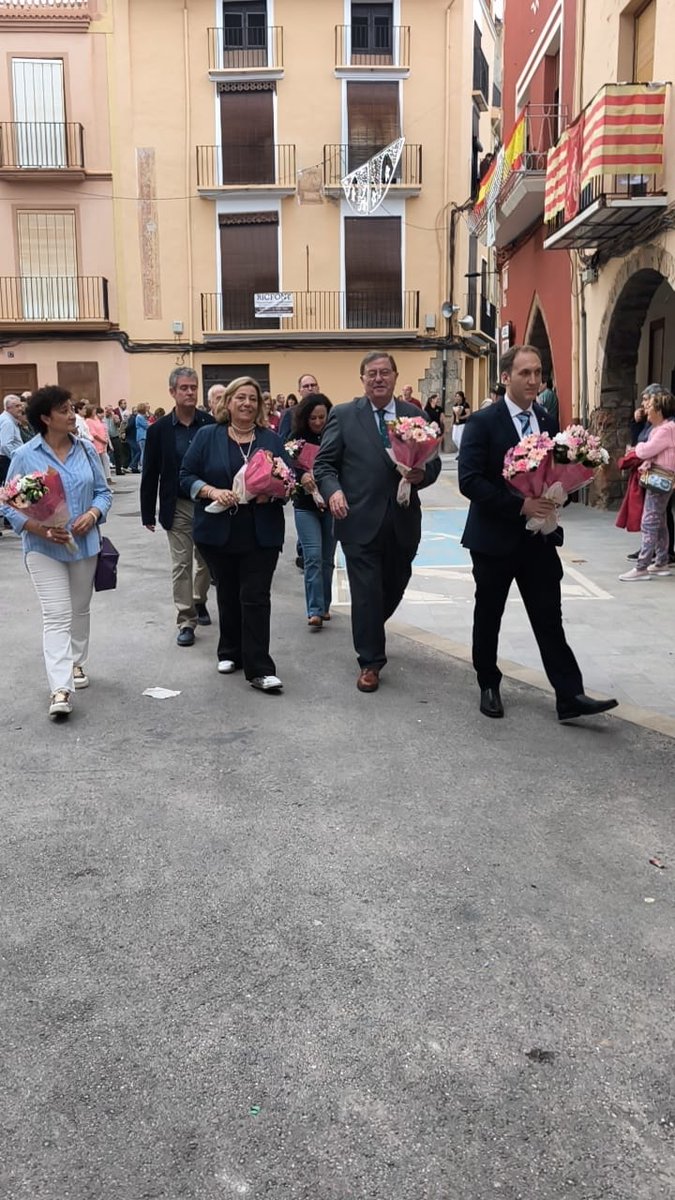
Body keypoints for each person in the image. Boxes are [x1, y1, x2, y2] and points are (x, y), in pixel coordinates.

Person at [458, 343, 618, 722]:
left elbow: (552, 473)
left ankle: (569, 696)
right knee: (489, 614)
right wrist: (520, 505)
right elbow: (470, 481)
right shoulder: (483, 422)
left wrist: (558, 494)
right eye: (525, 373)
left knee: (549, 617)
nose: (533, 380)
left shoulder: (546, 420)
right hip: (494, 540)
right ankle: (488, 684)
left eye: (538, 373)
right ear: (506, 377)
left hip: (538, 540)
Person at [315, 351, 441, 692]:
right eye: (371, 373)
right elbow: (324, 465)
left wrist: (421, 475)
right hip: (358, 520)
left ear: (396, 377)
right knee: (366, 592)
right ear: (362, 380)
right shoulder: (343, 415)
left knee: (395, 583)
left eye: (385, 372)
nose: (378, 378)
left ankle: (369, 626)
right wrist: (334, 492)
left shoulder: (413, 415)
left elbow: (434, 464)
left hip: (402, 520)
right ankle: (370, 661)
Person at [0, 386, 112, 719]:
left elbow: (103, 493)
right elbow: (9, 503)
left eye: (71, 409)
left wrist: (92, 515)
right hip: (42, 547)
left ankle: (77, 662)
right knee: (57, 614)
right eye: (64, 410)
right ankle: (60, 687)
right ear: (46, 418)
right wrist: (41, 528)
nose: (71, 415)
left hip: (85, 544)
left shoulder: (87, 451)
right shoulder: (25, 455)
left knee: (79, 609)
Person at [180, 376, 288, 692]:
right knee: (227, 592)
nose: (247, 403)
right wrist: (211, 491)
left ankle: (259, 668)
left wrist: (274, 493)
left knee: (255, 596)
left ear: (260, 405)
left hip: (261, 531)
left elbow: (287, 479)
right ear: (228, 402)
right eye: (240, 397)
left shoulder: (271, 439)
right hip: (217, 530)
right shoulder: (207, 436)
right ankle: (230, 650)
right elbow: (186, 476)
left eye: (253, 398)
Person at [140, 368, 214, 645]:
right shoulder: (158, 430)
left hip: (208, 504)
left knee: (206, 562)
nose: (190, 392)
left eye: (193, 387)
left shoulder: (209, 424)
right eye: (184, 388)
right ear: (172, 392)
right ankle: (186, 620)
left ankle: (199, 599)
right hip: (178, 505)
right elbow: (150, 473)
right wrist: (148, 511)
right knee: (181, 564)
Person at [619, 385, 675, 581]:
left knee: (649, 520)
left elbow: (645, 450)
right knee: (659, 521)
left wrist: (638, 448)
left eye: (649, 405)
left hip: (659, 480)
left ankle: (642, 566)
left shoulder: (664, 430)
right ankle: (661, 561)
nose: (646, 409)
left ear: (659, 410)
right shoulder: (664, 428)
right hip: (660, 477)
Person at [291, 393, 336, 628]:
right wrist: (302, 475)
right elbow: (285, 466)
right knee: (313, 557)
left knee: (328, 559)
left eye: (322, 417)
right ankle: (315, 610)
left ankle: (325, 605)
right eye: (313, 418)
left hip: (331, 504)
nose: (318, 422)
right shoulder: (295, 439)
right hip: (305, 505)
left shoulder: (335, 436)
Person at [278, 373, 319, 442]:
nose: (310, 388)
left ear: (318, 388)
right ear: (299, 391)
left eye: (313, 385)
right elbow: (282, 440)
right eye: (306, 386)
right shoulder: (290, 413)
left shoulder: (327, 411)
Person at [0, 395, 26, 483]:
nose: (20, 409)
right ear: (8, 408)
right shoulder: (7, 422)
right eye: (17, 406)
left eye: (20, 405)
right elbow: (5, 445)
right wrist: (17, 459)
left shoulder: (7, 419)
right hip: (6, 461)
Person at [85, 404, 112, 482]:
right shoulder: (88, 421)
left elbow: (102, 429)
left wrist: (105, 439)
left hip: (103, 443)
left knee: (105, 460)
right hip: (97, 442)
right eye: (93, 411)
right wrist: (102, 440)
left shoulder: (96, 419)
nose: (95, 412)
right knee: (98, 462)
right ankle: (100, 479)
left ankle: (107, 477)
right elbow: (93, 433)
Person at [104, 405, 124, 476]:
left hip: (115, 437)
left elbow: (118, 425)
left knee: (118, 454)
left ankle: (118, 470)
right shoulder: (103, 418)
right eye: (108, 410)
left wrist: (115, 418)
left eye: (110, 410)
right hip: (106, 438)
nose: (109, 412)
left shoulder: (115, 416)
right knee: (105, 453)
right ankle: (105, 471)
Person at [451, 390, 471, 455]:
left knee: (460, 438)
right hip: (455, 424)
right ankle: (461, 450)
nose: (457, 398)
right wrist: (452, 423)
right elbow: (453, 415)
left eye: (458, 396)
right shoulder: (455, 405)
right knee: (454, 438)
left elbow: (468, 414)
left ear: (462, 397)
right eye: (456, 396)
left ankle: (461, 453)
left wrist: (461, 417)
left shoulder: (465, 404)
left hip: (462, 424)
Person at [135, 402, 150, 468]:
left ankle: (143, 465)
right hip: (142, 435)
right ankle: (144, 465)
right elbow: (146, 425)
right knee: (144, 451)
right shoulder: (139, 417)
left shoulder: (140, 416)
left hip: (141, 435)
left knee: (143, 451)